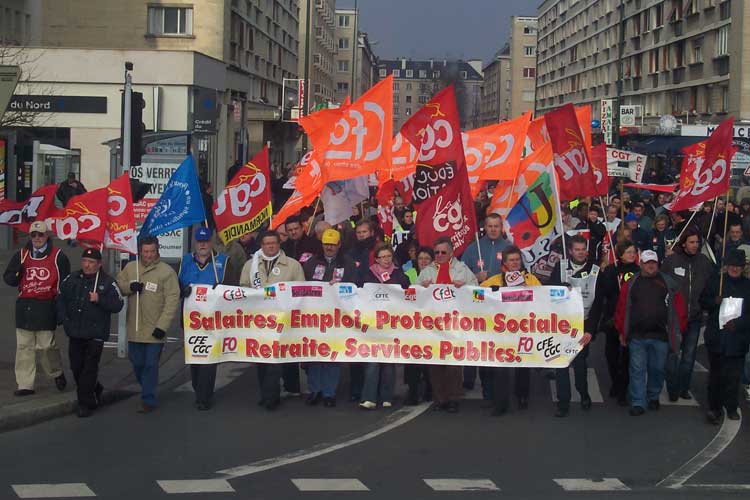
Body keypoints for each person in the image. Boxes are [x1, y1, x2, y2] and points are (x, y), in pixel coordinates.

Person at [615, 250, 687, 416]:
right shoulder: (631, 283)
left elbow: (679, 309)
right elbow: (621, 308)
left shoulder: (668, 283)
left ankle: (653, 395)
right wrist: (621, 331)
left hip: (661, 335)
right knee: (637, 369)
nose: (651, 265)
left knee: (657, 369)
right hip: (637, 336)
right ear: (641, 264)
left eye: (653, 262)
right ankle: (638, 402)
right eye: (647, 263)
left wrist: (678, 330)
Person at [240, 230, 305, 410]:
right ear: (261, 246)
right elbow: (243, 289)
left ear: (279, 244)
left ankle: (272, 396)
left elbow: (300, 292)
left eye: (273, 243)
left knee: (279, 359)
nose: (270, 246)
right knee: (262, 359)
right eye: (266, 243)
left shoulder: (292, 265)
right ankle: (267, 393)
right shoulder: (250, 265)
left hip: (284, 320)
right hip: (260, 321)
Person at [3, 221, 70, 396]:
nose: (37, 238)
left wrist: (62, 309)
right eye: (34, 235)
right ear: (30, 236)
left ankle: (56, 372)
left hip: (46, 306)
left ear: (47, 236)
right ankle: (25, 384)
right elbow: (9, 278)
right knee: (24, 347)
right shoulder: (22, 255)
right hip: (25, 306)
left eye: (40, 235)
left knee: (46, 346)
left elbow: (65, 284)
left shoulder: (58, 256)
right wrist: (17, 271)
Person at [116, 236, 180, 413]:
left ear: (157, 250)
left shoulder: (166, 272)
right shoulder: (131, 267)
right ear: (140, 251)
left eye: (152, 251)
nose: (149, 255)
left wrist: (163, 326)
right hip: (135, 327)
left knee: (151, 365)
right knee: (137, 363)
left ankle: (148, 398)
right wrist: (130, 286)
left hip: (155, 330)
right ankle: (147, 386)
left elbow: (172, 300)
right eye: (145, 251)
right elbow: (119, 284)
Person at [57, 248, 123, 417]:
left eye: (91, 262)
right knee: (76, 367)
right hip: (76, 332)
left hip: (96, 333)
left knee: (89, 369)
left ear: (99, 264)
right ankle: (95, 388)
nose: (87, 265)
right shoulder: (72, 278)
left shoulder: (107, 282)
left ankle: (85, 403)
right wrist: (65, 320)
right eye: (85, 261)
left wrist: (100, 299)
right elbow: (60, 298)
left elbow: (118, 304)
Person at [418, 237, 478, 413]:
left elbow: (476, 289)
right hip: (433, 323)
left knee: (453, 363)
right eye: (436, 252)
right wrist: (422, 287)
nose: (439, 255)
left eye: (443, 252)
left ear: (451, 253)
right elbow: (413, 293)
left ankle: (453, 398)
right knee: (435, 362)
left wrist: (465, 286)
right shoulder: (427, 271)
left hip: (454, 322)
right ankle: (440, 398)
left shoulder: (462, 269)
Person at [178, 227, 236, 410]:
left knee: (209, 358)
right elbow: (174, 286)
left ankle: (204, 397)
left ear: (211, 242)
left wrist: (223, 290)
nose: (203, 244)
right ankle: (199, 389)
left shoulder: (223, 262)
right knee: (195, 358)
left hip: (214, 320)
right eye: (199, 241)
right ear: (195, 242)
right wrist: (182, 291)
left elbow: (234, 291)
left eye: (206, 241)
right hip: (191, 320)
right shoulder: (185, 261)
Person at [481, 245, 540, 416]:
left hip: (523, 328)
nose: (515, 263)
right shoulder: (495, 280)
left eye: (517, 260)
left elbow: (543, 297)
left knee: (523, 365)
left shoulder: (530, 279)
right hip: (502, 332)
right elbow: (476, 294)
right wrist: (488, 292)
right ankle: (501, 403)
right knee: (501, 368)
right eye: (511, 260)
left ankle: (522, 396)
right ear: (505, 263)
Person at [302, 229, 357, 407]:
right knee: (314, 354)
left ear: (339, 245)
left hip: (336, 316)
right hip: (314, 316)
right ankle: (314, 390)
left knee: (331, 354)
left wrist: (341, 286)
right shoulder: (311, 262)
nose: (329, 247)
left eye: (333, 244)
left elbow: (355, 287)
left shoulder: (347, 263)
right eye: (326, 244)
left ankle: (329, 393)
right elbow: (302, 287)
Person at [661, 229, 714, 401]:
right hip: (675, 316)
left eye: (697, 242)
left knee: (689, 355)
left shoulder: (704, 262)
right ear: (683, 243)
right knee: (673, 353)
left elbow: (711, 284)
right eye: (691, 242)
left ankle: (684, 387)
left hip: (695, 316)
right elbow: (662, 284)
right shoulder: (672, 261)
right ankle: (672, 387)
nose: (695, 245)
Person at [358, 242, 410, 410]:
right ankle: (369, 398)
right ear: (377, 259)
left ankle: (387, 397)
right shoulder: (368, 274)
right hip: (373, 324)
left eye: (389, 256)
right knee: (373, 362)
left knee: (388, 361)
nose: (386, 260)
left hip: (392, 325)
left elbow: (408, 292)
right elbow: (359, 293)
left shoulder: (399, 274)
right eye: (383, 257)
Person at [700, 249, 750, 423]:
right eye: (733, 265)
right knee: (716, 375)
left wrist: (739, 324)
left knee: (734, 376)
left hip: (737, 339)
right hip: (717, 337)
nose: (735, 269)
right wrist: (714, 301)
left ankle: (731, 406)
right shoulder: (716, 281)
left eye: (739, 266)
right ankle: (714, 407)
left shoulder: (747, 286)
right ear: (727, 265)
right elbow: (703, 301)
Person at [549, 235, 596, 417]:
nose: (581, 252)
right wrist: (561, 289)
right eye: (577, 249)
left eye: (583, 249)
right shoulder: (560, 268)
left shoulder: (595, 270)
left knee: (580, 363)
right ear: (570, 251)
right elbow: (548, 293)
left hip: (583, 324)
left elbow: (598, 303)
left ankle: (583, 393)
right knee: (561, 363)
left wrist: (591, 330)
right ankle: (563, 402)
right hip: (562, 325)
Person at [588, 240, 640, 405]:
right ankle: (615, 381)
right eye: (629, 252)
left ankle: (622, 389)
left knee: (626, 356)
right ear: (621, 254)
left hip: (631, 319)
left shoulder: (639, 272)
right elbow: (602, 294)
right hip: (612, 318)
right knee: (611, 354)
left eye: (634, 252)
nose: (632, 255)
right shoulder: (611, 270)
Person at [347, 219, 379, 400]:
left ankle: (375, 391)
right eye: (358, 233)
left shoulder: (380, 250)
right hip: (356, 305)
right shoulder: (352, 252)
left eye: (364, 232)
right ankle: (356, 389)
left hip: (375, 305)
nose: (361, 236)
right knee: (356, 349)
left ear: (371, 233)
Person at [404, 246, 434, 404]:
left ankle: (430, 388)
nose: (423, 261)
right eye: (420, 258)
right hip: (411, 322)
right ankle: (413, 390)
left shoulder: (435, 274)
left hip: (430, 322)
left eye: (427, 259)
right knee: (412, 358)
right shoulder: (408, 273)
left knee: (429, 357)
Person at [461, 213, 510, 283]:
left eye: (496, 226)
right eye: (490, 226)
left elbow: (518, 272)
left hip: (502, 291)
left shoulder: (509, 248)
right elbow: (460, 274)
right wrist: (475, 277)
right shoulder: (473, 248)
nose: (493, 229)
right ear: (485, 227)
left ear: (501, 227)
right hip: (478, 291)